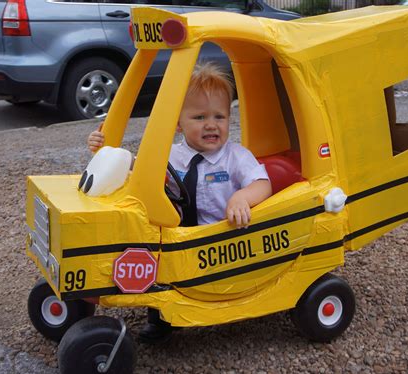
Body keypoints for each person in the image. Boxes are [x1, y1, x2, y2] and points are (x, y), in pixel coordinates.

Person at [87, 61, 272, 342]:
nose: (211, 125)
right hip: (179, 236)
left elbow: (263, 184)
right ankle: (159, 318)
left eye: (220, 117)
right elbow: (136, 168)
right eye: (199, 118)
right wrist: (105, 149)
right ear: (177, 123)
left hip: (221, 242)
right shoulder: (171, 155)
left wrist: (241, 198)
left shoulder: (236, 156)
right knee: (149, 248)